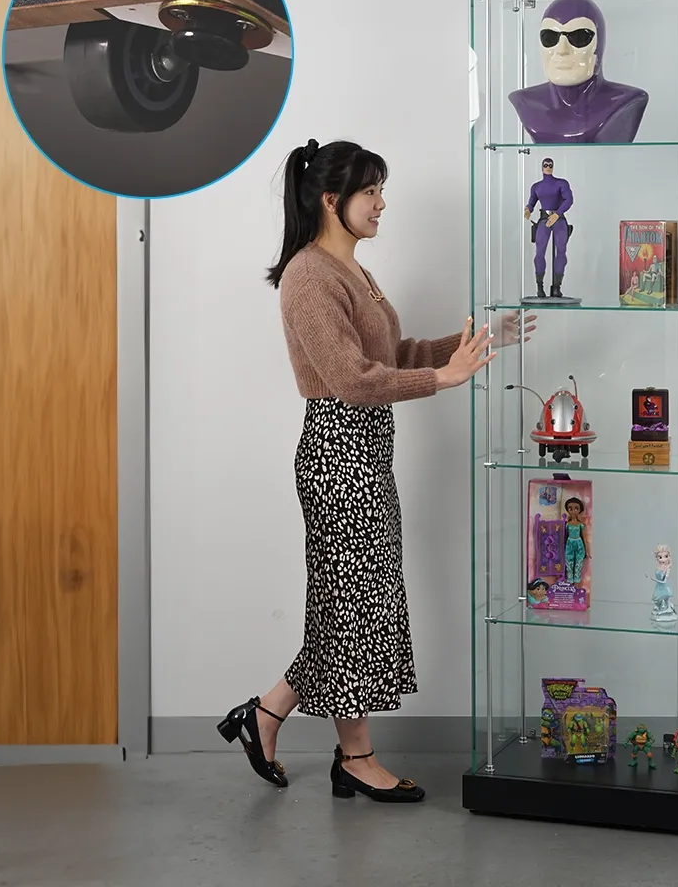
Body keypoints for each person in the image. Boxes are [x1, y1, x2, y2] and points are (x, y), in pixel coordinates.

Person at [217, 139, 532, 803]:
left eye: (381, 190)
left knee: (350, 603)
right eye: (371, 192)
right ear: (332, 201)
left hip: (365, 452)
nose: (382, 203)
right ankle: (355, 756)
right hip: (338, 454)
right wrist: (444, 379)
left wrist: (475, 343)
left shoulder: (352, 271)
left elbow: (393, 354)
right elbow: (353, 380)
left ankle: (265, 715)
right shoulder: (310, 276)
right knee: (354, 606)